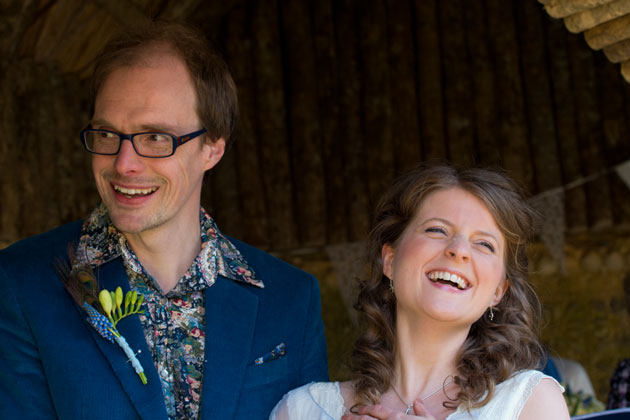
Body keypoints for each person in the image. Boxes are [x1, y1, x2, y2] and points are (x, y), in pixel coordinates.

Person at [0, 22, 328, 420]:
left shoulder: (293, 298)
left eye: (155, 137)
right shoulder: (20, 283)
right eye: (106, 134)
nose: (123, 164)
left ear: (212, 148)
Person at [270, 163, 570, 420]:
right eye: (437, 230)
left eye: (484, 244)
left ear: (498, 292)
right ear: (389, 260)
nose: (459, 251)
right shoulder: (303, 410)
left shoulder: (530, 403)